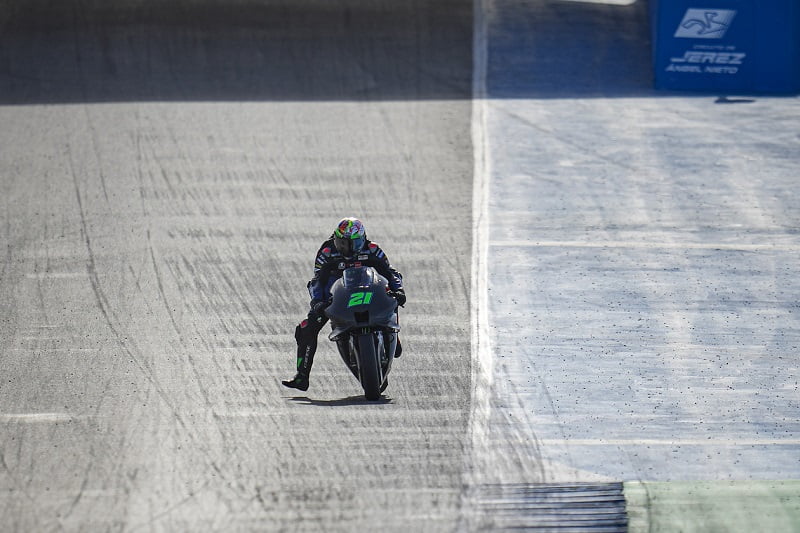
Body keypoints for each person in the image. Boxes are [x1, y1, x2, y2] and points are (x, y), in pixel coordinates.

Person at [282, 217, 405, 391]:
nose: (346, 248)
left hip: (367, 290)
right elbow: (317, 281)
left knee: (391, 298)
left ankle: (394, 336)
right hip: (336, 295)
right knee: (306, 328)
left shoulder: (372, 249)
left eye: (352, 243)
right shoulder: (327, 252)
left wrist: (399, 291)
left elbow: (391, 273)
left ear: (362, 239)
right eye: (342, 243)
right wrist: (317, 302)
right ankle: (301, 376)